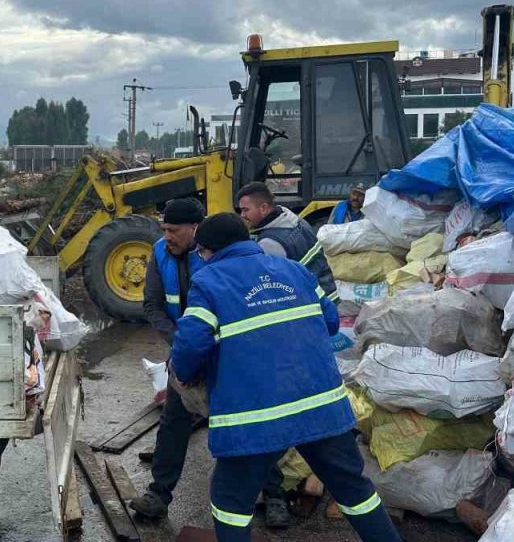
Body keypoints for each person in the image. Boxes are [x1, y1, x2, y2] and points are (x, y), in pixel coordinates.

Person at [170, 213, 401, 542]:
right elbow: (331, 321)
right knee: (354, 489)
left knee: (230, 502)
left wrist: (186, 374)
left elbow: (191, 344)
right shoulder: (296, 271)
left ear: (207, 250)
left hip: (255, 414)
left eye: (201, 253)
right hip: (319, 406)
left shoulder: (210, 283)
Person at [135, 198, 298, 521]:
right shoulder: (159, 252)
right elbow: (153, 305)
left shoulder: (217, 253)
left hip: (230, 356)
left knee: (254, 424)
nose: (166, 236)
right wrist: (181, 343)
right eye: (163, 229)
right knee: (173, 423)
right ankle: (158, 494)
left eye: (173, 230)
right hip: (187, 351)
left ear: (195, 229)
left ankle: (275, 494)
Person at [236, 182, 337, 303]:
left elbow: (269, 288)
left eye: (245, 210)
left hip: (315, 303)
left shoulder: (269, 243)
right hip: (330, 293)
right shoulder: (296, 221)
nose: (242, 215)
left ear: (263, 208)